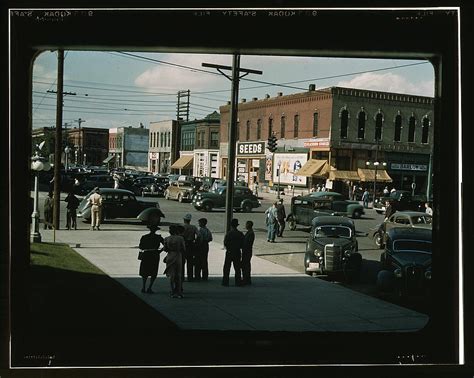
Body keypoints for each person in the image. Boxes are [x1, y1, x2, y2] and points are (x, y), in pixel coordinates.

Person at [138, 224, 164, 294]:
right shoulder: (158, 237)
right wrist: (159, 251)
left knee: (145, 271)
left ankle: (143, 287)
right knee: (153, 271)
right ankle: (150, 287)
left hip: (146, 254)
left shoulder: (144, 237)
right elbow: (165, 245)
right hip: (155, 254)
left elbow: (141, 247)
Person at [163, 224, 186, 298]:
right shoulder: (180, 238)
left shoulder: (166, 238)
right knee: (178, 274)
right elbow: (183, 249)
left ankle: (172, 291)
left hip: (170, 255)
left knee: (171, 275)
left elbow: (165, 249)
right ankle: (179, 292)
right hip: (178, 255)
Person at [222, 218, 243, 286]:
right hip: (237, 251)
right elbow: (243, 243)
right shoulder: (240, 234)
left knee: (227, 267)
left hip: (230, 251)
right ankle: (238, 281)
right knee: (237, 268)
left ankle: (225, 281)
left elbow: (225, 243)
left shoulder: (229, 233)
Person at [182, 213, 199, 281]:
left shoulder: (182, 227)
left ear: (184, 220)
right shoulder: (193, 227)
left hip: (183, 244)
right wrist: (196, 242)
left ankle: (181, 277)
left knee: (182, 262)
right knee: (190, 262)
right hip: (191, 244)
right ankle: (190, 277)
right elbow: (199, 235)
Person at [241, 220, 255, 286]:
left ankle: (246, 279)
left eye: (246, 225)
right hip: (246, 251)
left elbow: (247, 243)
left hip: (247, 251)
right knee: (245, 265)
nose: (245, 226)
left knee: (245, 265)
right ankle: (246, 278)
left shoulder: (250, 233)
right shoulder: (249, 232)